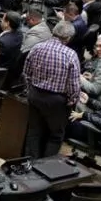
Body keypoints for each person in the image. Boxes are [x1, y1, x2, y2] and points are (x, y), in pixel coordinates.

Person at [23, 21, 82, 158]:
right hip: (57, 101)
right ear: (68, 38)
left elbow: (26, 73)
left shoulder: (37, 47)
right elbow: (74, 84)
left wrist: (31, 90)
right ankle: (46, 168)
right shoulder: (70, 54)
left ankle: (29, 165)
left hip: (35, 94)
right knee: (55, 135)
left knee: (34, 132)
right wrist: (73, 100)